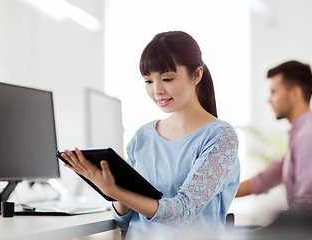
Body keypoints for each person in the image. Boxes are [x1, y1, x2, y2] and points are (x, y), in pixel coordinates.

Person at [61, 31, 240, 239]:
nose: (157, 91)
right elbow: (122, 220)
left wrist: (114, 191)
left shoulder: (221, 136)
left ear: (197, 75)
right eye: (148, 81)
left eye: (167, 78)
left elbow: (183, 213)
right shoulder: (143, 136)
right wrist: (111, 188)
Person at [236, 60, 312, 218]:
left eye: (274, 92)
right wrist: (215, 193)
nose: (269, 100)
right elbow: (265, 179)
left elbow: (308, 208)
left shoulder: (310, 137)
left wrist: (260, 234)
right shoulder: (304, 133)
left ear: (295, 93)